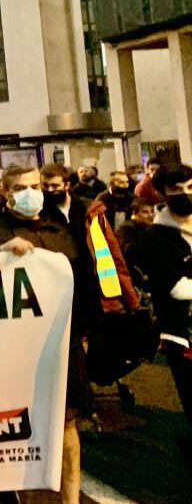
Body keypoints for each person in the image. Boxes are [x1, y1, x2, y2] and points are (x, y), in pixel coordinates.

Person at [0, 165, 98, 504]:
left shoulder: (59, 229)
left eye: (36, 185)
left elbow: (82, 279)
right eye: (22, 187)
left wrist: (85, 330)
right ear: (5, 192)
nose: (32, 192)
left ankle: (71, 499)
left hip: (61, 342)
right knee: (14, 428)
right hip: (9, 349)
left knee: (66, 424)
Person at [133, 164, 192, 459]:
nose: (185, 194)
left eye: (191, 188)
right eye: (176, 190)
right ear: (162, 194)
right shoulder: (154, 238)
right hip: (182, 334)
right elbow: (176, 288)